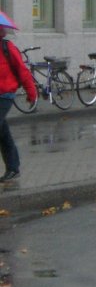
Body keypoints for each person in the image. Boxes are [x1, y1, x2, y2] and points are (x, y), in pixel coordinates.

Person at [0, 17, 37, 182]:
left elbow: (23, 71)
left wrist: (32, 93)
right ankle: (13, 168)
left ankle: (13, 168)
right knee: (3, 133)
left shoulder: (7, 47)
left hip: (5, 94)